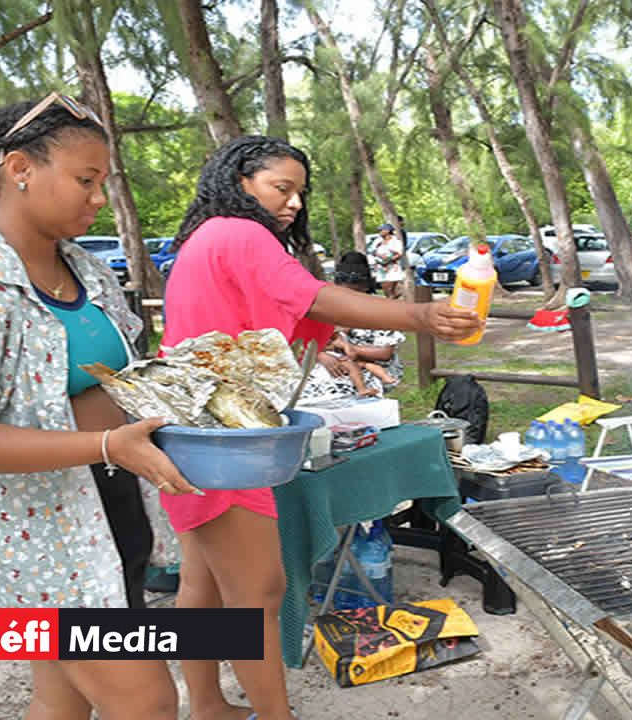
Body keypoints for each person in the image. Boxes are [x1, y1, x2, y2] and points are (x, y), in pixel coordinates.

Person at [0, 92, 200, 719]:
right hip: (33, 538)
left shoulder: (88, 270)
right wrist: (106, 444)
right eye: (86, 180)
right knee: (146, 701)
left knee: (60, 695)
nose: (98, 197)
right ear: (19, 169)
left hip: (109, 512)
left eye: (103, 182)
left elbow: (116, 380)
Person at [161, 135, 480, 720]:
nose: (294, 204)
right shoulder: (239, 232)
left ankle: (207, 705)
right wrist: (417, 315)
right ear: (239, 183)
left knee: (202, 584)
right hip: (224, 438)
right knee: (258, 594)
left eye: (300, 194)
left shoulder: (204, 240)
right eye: (281, 188)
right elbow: (309, 298)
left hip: (189, 434)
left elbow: (292, 316)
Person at [303, 251, 407, 401]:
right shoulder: (327, 305)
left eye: (354, 292)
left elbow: (385, 354)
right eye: (344, 292)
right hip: (330, 359)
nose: (349, 297)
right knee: (307, 384)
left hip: (373, 366)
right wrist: (321, 355)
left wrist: (349, 348)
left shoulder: (381, 309)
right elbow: (306, 341)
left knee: (334, 387)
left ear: (365, 287)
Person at [367, 222, 405, 299]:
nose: (379, 232)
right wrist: (379, 257)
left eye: (381, 230)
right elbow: (372, 251)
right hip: (381, 268)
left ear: (387, 231)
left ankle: (391, 304)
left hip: (392, 268)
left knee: (390, 289)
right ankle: (394, 299)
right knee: (386, 291)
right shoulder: (377, 241)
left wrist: (388, 260)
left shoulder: (396, 242)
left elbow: (399, 254)